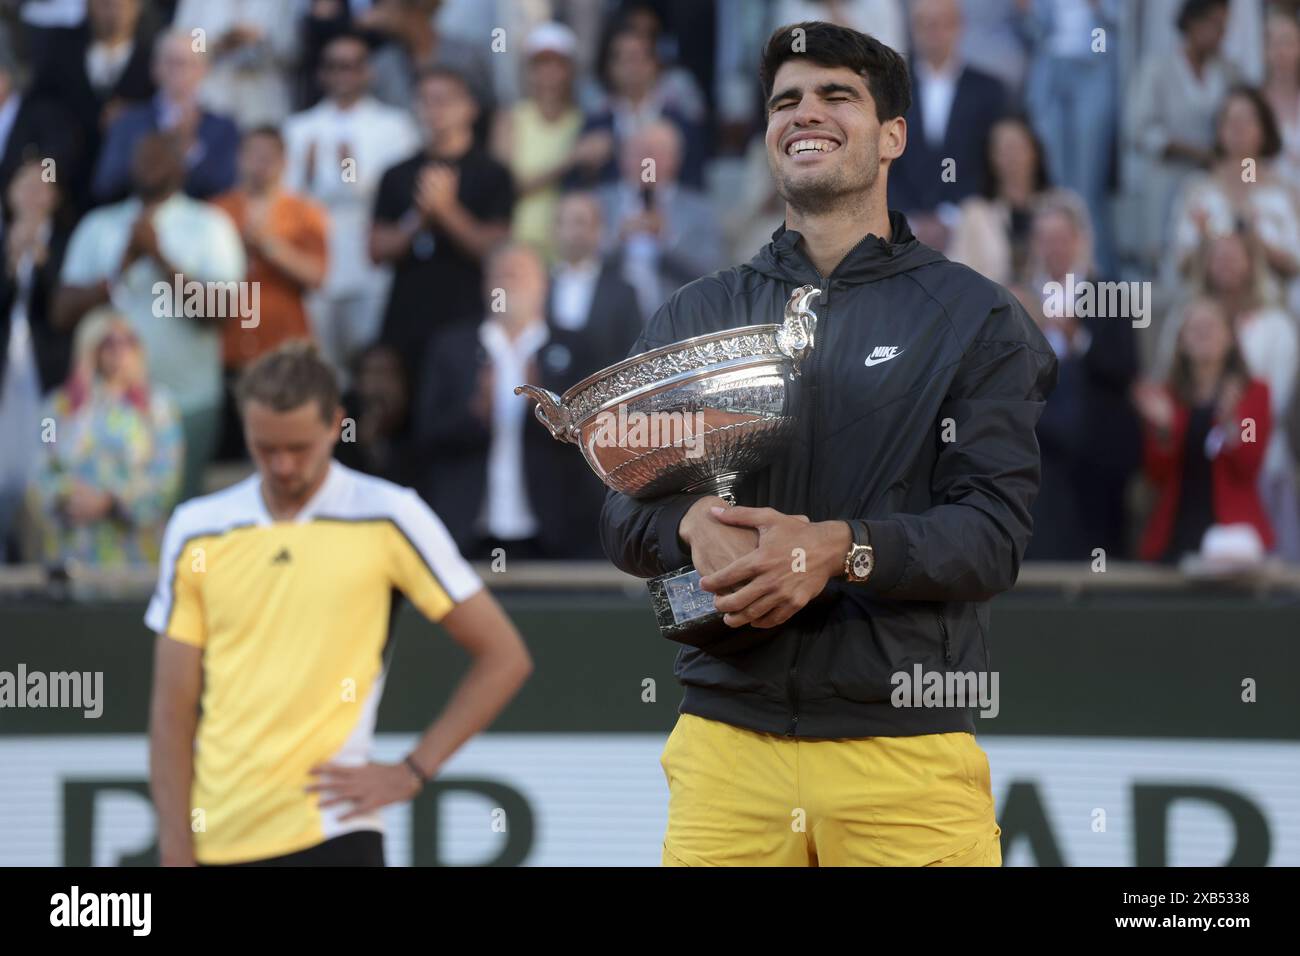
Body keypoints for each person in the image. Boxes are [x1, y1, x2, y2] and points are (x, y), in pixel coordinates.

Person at [600, 21, 1056, 867]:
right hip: (724, 745)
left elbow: (991, 537)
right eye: (785, 101)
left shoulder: (978, 317)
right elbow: (625, 512)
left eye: (836, 94)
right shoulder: (694, 314)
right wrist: (690, 523)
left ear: (893, 136)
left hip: (907, 755)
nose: (805, 112)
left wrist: (839, 549)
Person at [147, 342, 532, 867]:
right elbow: (171, 710)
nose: (282, 465)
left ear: (336, 424)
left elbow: (505, 656)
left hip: (335, 833)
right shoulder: (197, 528)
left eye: (299, 447)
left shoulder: (390, 514)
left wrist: (413, 770)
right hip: (215, 837)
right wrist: (175, 848)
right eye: (265, 448)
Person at [54, 131, 246, 501]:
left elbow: (223, 313)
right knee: (109, 517)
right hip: (106, 407)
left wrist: (160, 257)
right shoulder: (100, 225)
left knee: (179, 508)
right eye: (142, 156)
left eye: (159, 157)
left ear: (180, 166)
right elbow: (61, 313)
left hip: (188, 401)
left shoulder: (210, 224)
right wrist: (118, 270)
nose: (149, 165)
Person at [415, 242, 606, 559]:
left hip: (553, 530)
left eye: (518, 274)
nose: (508, 283)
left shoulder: (576, 349)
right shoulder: (452, 348)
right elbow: (426, 434)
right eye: (500, 274)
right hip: (467, 527)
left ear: (543, 284)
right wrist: (475, 414)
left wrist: (549, 416)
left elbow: (596, 436)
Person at [282, 31, 420, 378]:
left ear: (368, 71)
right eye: (334, 66)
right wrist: (310, 179)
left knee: (370, 359)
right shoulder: (299, 128)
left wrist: (354, 179)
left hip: (369, 261)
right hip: (317, 259)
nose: (343, 74)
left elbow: (400, 195)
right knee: (322, 364)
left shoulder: (395, 126)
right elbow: (287, 200)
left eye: (352, 66)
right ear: (321, 73)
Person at [370, 67, 514, 364]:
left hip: (468, 314)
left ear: (470, 108)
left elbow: (495, 250)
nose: (433, 109)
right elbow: (375, 250)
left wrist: (447, 211)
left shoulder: (493, 174)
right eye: (424, 100)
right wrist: (417, 219)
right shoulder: (396, 173)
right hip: (406, 315)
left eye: (444, 100)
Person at [31, 308, 183, 567]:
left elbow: (166, 480)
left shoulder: (158, 408)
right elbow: (40, 469)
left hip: (134, 554)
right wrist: (68, 498)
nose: (119, 352)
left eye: (128, 341)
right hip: (73, 550)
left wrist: (112, 502)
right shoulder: (57, 409)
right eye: (109, 343)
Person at [212, 126, 329, 459]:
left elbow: (317, 275)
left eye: (269, 157)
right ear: (239, 159)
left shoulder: (305, 213)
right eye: (253, 155)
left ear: (283, 162)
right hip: (229, 351)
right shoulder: (217, 211)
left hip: (286, 354)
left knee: (285, 449)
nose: (260, 164)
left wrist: (271, 248)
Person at [1134, 297, 1273, 562]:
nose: (1203, 334)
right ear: (1181, 342)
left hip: (1232, 539)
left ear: (1230, 338)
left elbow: (1250, 462)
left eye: (1211, 326)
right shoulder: (1167, 398)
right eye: (1194, 328)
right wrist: (1164, 429)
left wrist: (1234, 424)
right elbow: (1156, 475)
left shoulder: (1252, 395)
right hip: (1176, 533)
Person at [887, 0, 1007, 252]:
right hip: (902, 225)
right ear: (913, 28)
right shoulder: (890, 88)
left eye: (943, 24)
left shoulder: (989, 90)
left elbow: (992, 161)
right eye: (926, 24)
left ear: (959, 27)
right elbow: (884, 157)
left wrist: (950, 216)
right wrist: (915, 219)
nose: (935, 32)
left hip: (970, 226)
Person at [0, 162, 76, 561]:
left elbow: (62, 309)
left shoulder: (66, 243)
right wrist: (12, 259)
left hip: (45, 371)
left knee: (44, 449)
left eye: (41, 186)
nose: (32, 195)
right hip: (8, 372)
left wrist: (41, 258)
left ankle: (43, 549)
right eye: (23, 185)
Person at [1126, 0, 1234, 269]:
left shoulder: (1228, 72)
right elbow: (1138, 130)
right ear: (1193, 23)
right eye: (1215, 25)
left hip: (1211, 182)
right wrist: (1193, 151)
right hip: (1167, 182)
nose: (1221, 33)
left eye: (1224, 27)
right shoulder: (1157, 69)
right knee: (1169, 255)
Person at [92, 29, 240, 205]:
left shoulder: (223, 129)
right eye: (170, 62)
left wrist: (190, 151)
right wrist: (150, 159)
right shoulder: (127, 122)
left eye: (187, 64)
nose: (178, 71)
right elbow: (105, 185)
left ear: (204, 70)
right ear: (155, 68)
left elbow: (226, 190)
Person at [597, 119, 725, 322]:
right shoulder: (598, 203)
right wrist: (617, 238)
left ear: (675, 159)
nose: (647, 161)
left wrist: (667, 239)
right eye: (638, 151)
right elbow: (579, 263)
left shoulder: (699, 210)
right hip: (611, 320)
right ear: (622, 158)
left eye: (656, 153)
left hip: (675, 317)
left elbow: (711, 272)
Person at [489, 22, 585, 262]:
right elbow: (503, 187)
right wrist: (570, 160)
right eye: (540, 65)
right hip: (521, 245)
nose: (549, 74)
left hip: (569, 249)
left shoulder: (582, 120)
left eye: (557, 65)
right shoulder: (510, 119)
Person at [547, 190, 643, 381]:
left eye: (582, 222)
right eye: (567, 222)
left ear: (599, 230)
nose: (575, 232)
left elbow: (633, 358)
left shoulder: (623, 293)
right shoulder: (537, 285)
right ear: (554, 229)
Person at [946, 114, 1052, 286]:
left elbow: (1082, 271)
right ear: (990, 157)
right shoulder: (973, 212)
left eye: (1017, 146)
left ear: (1035, 150)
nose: (1011, 157)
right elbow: (957, 277)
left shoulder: (1062, 206)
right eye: (1002, 149)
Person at [171, 0, 299, 128]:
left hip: (263, 95)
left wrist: (261, 40)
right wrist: (216, 46)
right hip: (213, 91)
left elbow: (294, 49)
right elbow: (182, 43)